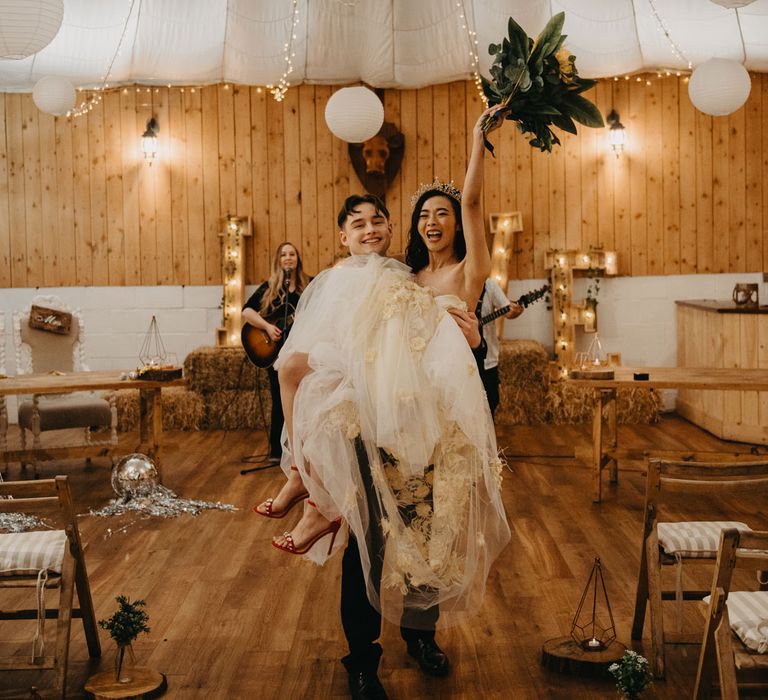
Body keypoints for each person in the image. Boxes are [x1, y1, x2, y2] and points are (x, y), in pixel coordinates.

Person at [267, 107, 507, 700]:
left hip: (437, 429)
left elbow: (475, 203)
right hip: (378, 421)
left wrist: (477, 138)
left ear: (456, 224)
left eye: (441, 214)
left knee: (427, 532)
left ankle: (421, 636)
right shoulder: (395, 277)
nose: (432, 223)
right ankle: (361, 658)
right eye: (423, 215)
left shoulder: (467, 275)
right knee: (368, 535)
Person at [242, 242, 311, 472]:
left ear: (298, 259)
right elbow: (247, 311)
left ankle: (304, 451)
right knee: (280, 402)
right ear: (278, 260)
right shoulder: (271, 287)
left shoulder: (308, 286)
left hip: (300, 353)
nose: (288, 258)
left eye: (292, 254)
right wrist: (267, 327)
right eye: (284, 254)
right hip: (276, 354)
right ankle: (277, 451)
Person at [477, 278, 523, 417]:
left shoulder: (489, 285)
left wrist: (516, 310)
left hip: (487, 360)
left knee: (491, 402)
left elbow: (508, 312)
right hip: (459, 361)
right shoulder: (455, 282)